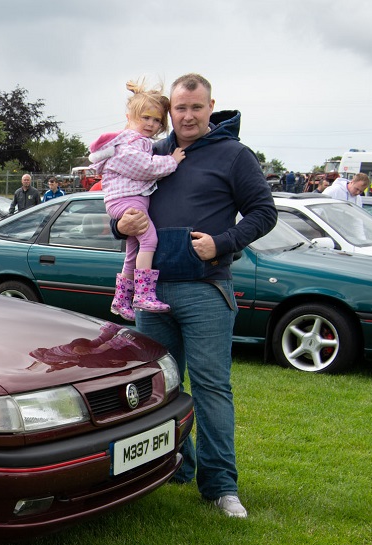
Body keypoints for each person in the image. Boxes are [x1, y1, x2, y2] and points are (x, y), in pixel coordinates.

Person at [112, 73, 276, 519]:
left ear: (210, 108)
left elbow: (264, 212)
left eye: (195, 108)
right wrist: (118, 227)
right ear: (169, 113)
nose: (186, 116)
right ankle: (174, 467)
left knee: (210, 389)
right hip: (152, 292)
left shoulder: (234, 155)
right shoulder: (150, 152)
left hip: (206, 291)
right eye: (179, 109)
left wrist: (221, 242)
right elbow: (123, 202)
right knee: (160, 389)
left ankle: (221, 486)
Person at [88, 79, 185, 321]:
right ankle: (143, 294)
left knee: (133, 250)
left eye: (156, 120)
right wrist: (172, 160)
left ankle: (121, 301)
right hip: (126, 201)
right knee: (150, 239)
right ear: (130, 116)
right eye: (146, 118)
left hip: (129, 200)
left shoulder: (138, 142)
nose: (151, 124)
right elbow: (146, 168)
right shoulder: (129, 143)